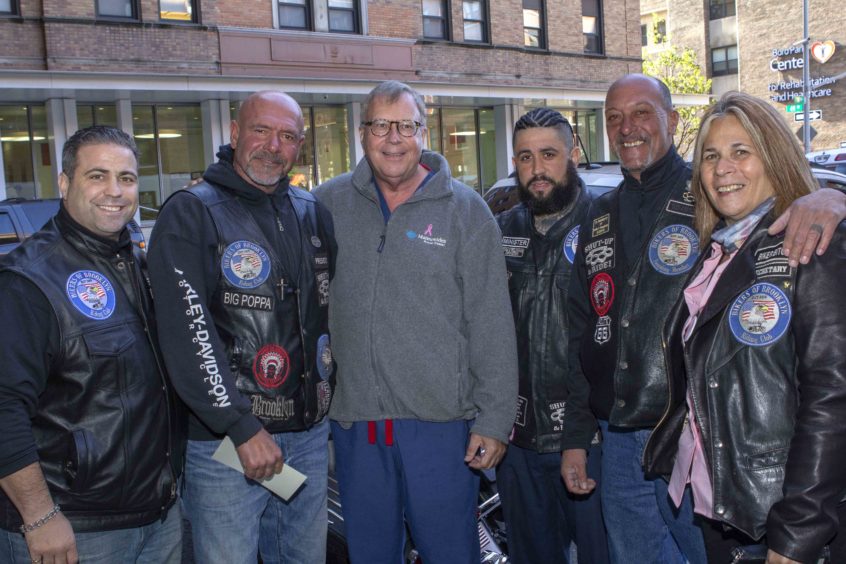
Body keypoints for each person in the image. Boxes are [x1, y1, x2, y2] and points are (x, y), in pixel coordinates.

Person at [560, 73, 846, 563]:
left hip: (740, 472)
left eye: (643, 112)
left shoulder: (790, 236)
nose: (628, 127)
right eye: (712, 156)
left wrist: (831, 198)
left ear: (671, 121)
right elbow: (582, 328)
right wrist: (576, 433)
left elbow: (830, 396)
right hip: (653, 447)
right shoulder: (711, 242)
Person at [312, 80, 517, 564]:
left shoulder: (467, 211)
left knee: (450, 552)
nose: (393, 138)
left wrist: (494, 420)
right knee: (370, 553)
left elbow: (491, 322)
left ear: (424, 133)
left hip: (441, 424)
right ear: (362, 134)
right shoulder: (325, 205)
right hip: (358, 422)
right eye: (381, 125)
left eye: (406, 125)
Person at [644, 91, 846, 564]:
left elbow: (832, 399)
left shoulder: (809, 244)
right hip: (728, 511)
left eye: (741, 152)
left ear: (774, 156)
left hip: (779, 521)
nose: (721, 169)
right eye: (710, 156)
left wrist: (797, 531)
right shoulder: (719, 252)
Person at [147, 91, 336, 564]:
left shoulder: (310, 210)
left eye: (288, 136)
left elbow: (324, 315)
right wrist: (240, 426)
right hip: (229, 445)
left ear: (300, 146)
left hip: (308, 436)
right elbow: (188, 333)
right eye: (261, 130)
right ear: (233, 133)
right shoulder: (192, 212)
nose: (273, 146)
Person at [0, 126, 185, 564]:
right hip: (75, 529)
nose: (115, 191)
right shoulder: (29, 281)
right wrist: (40, 516)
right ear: (64, 184)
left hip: (157, 517)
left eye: (126, 177)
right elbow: (4, 407)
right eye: (97, 176)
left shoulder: (136, 264)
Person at [493, 108, 608, 564]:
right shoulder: (499, 230)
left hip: (590, 437)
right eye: (525, 158)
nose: (537, 170)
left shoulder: (606, 225)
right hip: (517, 440)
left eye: (548, 155)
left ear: (573, 153)